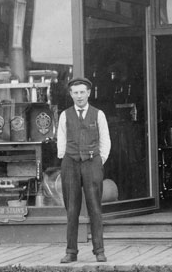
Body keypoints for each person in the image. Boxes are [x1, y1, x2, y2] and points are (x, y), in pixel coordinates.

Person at [56, 76, 111, 263]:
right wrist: (65, 157)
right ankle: (71, 251)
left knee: (95, 207)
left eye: (82, 92)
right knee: (72, 209)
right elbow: (61, 139)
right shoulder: (65, 115)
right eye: (75, 92)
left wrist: (98, 160)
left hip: (92, 162)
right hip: (70, 163)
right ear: (71, 94)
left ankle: (99, 250)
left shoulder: (98, 114)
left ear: (88, 93)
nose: (79, 96)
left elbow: (106, 140)